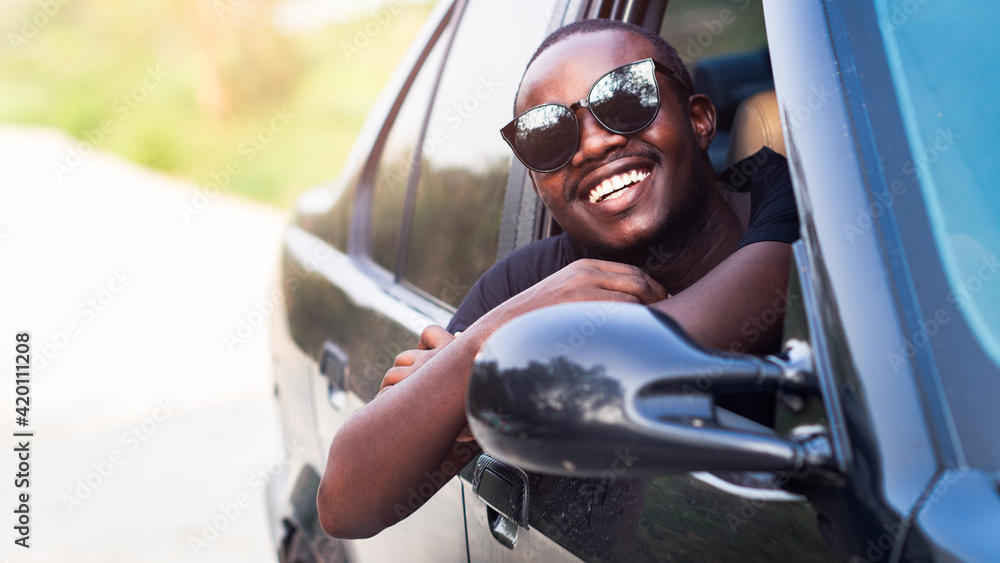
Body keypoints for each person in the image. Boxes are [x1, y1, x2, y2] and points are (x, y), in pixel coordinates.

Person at [317, 18, 798, 539]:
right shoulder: (538, 284)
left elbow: (658, 350)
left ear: (699, 119)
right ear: (536, 183)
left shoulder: (801, 212)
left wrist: (483, 389)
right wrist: (479, 347)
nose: (592, 146)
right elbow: (347, 504)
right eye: (547, 135)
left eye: (626, 100)